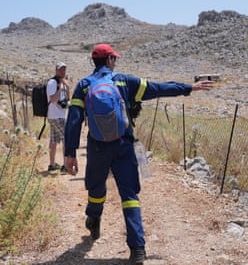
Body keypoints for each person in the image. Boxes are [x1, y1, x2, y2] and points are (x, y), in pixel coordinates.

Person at [64, 44, 214, 264]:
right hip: (124, 145)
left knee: (96, 187)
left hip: (97, 147)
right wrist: (189, 88)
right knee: (130, 196)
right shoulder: (125, 81)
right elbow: (158, 88)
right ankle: (138, 250)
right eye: (114, 59)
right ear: (110, 61)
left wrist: (70, 153)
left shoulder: (84, 85)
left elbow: (74, 120)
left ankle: (94, 218)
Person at [47, 62, 70, 173]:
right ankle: (65, 166)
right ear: (56, 70)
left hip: (59, 115)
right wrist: (60, 89)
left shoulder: (63, 82)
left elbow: (67, 100)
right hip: (56, 116)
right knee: (66, 139)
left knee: (54, 140)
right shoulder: (52, 82)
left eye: (64, 69)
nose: (63, 71)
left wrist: (67, 87)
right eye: (61, 69)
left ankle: (52, 164)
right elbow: (52, 99)